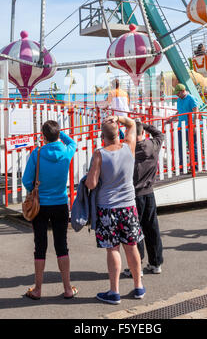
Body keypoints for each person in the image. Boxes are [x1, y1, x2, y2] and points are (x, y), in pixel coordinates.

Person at [85, 114, 145, 305]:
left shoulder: (99, 154)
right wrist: (118, 117)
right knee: (132, 246)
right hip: (128, 206)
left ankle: (114, 291)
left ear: (102, 137)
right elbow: (133, 124)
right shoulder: (129, 147)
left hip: (108, 208)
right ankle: (138, 286)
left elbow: (92, 183)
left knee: (113, 249)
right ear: (119, 133)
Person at [22, 120, 77, 300]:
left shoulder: (37, 153)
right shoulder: (66, 152)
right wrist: (60, 133)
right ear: (57, 134)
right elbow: (72, 143)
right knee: (62, 246)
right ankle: (68, 288)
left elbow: (26, 181)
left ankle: (37, 289)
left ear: (43, 136)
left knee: (40, 247)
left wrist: (36, 186)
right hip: (61, 203)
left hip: (41, 206)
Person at [124, 121, 164, 278]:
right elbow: (160, 134)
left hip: (134, 195)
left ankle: (137, 265)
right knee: (152, 228)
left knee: (136, 231)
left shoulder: (128, 151)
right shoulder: (153, 146)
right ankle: (156, 262)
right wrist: (144, 125)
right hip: (149, 192)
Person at [169, 84, 199, 170]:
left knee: (192, 147)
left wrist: (194, 126)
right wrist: (171, 119)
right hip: (180, 127)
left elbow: (196, 111)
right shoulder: (179, 100)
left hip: (189, 127)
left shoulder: (191, 98)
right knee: (180, 147)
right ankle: (182, 166)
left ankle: (195, 166)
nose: (177, 95)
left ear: (183, 91)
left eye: (178, 93)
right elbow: (179, 112)